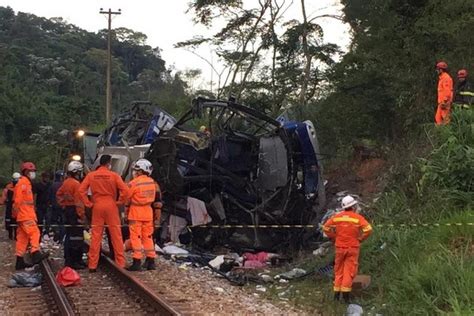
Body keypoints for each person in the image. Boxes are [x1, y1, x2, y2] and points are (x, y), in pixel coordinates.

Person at [79, 154, 129, 272]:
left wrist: (88, 203)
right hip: (111, 206)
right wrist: (119, 201)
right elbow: (125, 190)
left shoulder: (91, 175)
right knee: (116, 235)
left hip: (97, 206)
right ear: (108, 163)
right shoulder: (114, 175)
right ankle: (120, 263)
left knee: (96, 236)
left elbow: (81, 190)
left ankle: (92, 265)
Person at [323, 195, 372, 303]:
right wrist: (360, 238)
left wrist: (334, 236)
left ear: (343, 207)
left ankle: (336, 296)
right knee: (349, 272)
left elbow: (325, 227)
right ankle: (346, 297)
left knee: (338, 271)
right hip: (352, 248)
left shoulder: (337, 217)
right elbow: (368, 229)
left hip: (340, 248)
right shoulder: (357, 218)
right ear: (353, 206)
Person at [126, 159, 162, 271]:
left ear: (140, 171)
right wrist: (157, 218)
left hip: (136, 212)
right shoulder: (153, 183)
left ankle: (137, 262)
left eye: (136, 170)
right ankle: (151, 261)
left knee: (135, 237)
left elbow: (127, 198)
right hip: (148, 212)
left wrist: (125, 212)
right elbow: (157, 201)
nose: (135, 172)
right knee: (148, 237)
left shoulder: (133, 183)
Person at [13, 162, 49, 270]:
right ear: (25, 172)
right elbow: (18, 200)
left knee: (22, 238)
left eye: (33, 171)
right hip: (25, 215)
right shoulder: (23, 183)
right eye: (30, 171)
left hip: (25, 214)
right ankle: (35, 253)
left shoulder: (26, 183)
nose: (32, 173)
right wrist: (16, 213)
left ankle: (19, 261)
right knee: (35, 232)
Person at [56, 161, 86, 269]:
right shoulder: (76, 184)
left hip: (68, 211)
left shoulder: (66, 182)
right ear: (77, 172)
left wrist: (63, 205)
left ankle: (69, 260)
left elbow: (59, 194)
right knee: (77, 237)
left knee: (69, 236)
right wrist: (82, 216)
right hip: (74, 212)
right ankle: (76, 261)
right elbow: (79, 202)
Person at [1, 172, 21, 240]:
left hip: (17, 206)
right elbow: (4, 195)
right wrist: (2, 202)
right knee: (9, 220)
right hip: (10, 205)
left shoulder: (21, 187)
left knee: (16, 221)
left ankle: (15, 235)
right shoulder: (8, 187)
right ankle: (10, 234)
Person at [48, 170, 65, 242]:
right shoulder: (64, 185)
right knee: (62, 222)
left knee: (54, 221)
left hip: (54, 206)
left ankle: (56, 232)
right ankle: (61, 237)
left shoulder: (53, 185)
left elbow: (49, 195)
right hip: (62, 206)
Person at [34, 171, 51, 238]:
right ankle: (39, 232)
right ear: (42, 177)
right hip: (39, 205)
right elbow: (35, 195)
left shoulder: (49, 185)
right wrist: (34, 205)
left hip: (47, 205)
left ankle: (46, 233)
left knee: (48, 220)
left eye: (47, 177)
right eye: (45, 177)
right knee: (40, 220)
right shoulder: (38, 185)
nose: (47, 179)